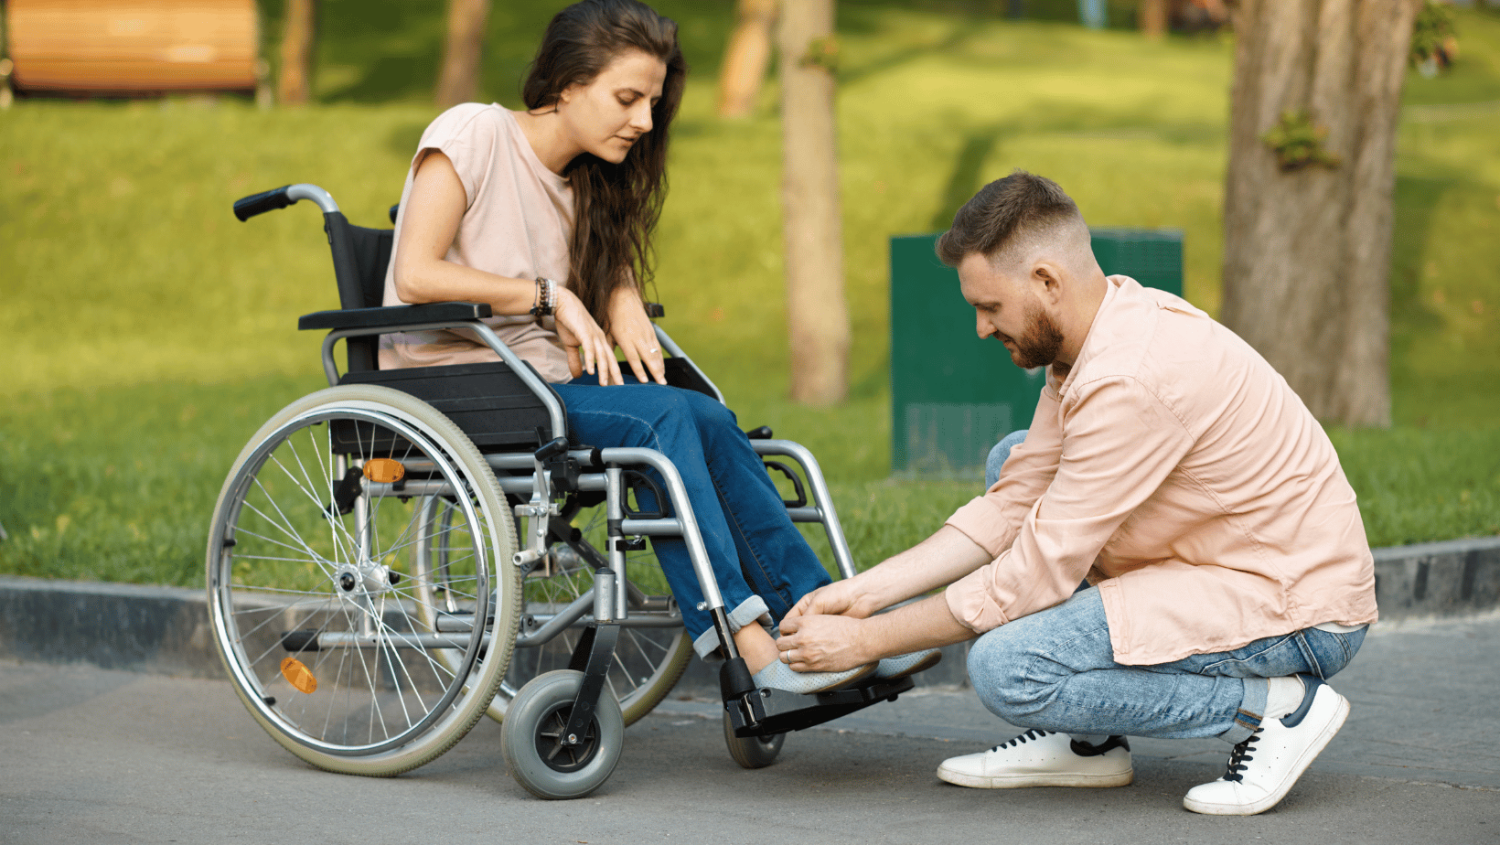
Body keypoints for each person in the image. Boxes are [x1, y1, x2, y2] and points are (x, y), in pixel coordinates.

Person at [775, 171, 1379, 815]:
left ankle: (1279, 707)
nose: (981, 328)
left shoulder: (1130, 378)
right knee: (1013, 457)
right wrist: (861, 594)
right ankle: (1090, 742)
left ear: (1045, 282)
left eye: (989, 307)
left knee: (1007, 669)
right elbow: (1015, 501)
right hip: (1217, 565)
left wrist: (865, 643)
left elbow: (1029, 578)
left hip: (1298, 607)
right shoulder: (1097, 332)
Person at [378, 0, 932, 695]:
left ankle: (825, 621)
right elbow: (416, 274)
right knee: (664, 422)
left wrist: (621, 293)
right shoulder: (472, 132)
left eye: (652, 101)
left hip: (539, 387)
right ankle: (746, 641)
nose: (643, 120)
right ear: (568, 84)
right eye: (627, 98)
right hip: (458, 382)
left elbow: (597, 265)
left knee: (706, 418)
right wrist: (549, 296)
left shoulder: (585, 179)